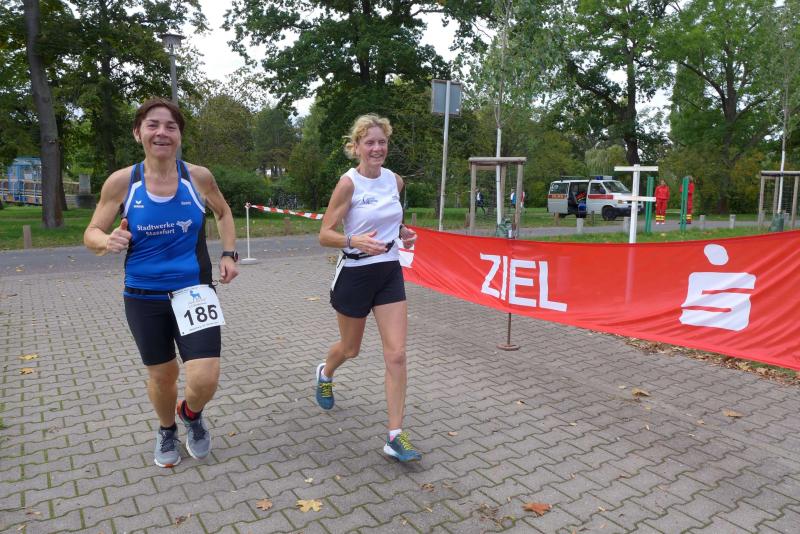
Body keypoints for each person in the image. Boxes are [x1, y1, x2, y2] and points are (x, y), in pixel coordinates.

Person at [84, 97, 239, 468]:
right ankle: (167, 428)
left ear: (179, 135)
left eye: (171, 126)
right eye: (152, 125)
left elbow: (223, 212)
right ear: (138, 133)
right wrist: (106, 241)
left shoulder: (197, 178)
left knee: (206, 377)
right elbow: (91, 232)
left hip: (194, 291)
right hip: (143, 296)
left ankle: (191, 414)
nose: (162, 132)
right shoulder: (123, 182)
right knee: (163, 374)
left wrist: (229, 254)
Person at [316, 113, 421, 462]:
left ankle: (395, 436)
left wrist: (402, 231)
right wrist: (353, 240)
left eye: (382, 142)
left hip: (389, 271)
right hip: (355, 273)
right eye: (370, 142)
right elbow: (324, 234)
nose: (377, 148)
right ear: (357, 146)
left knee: (397, 354)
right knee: (350, 349)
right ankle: (325, 372)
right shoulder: (348, 184)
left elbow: (389, 217)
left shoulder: (395, 181)